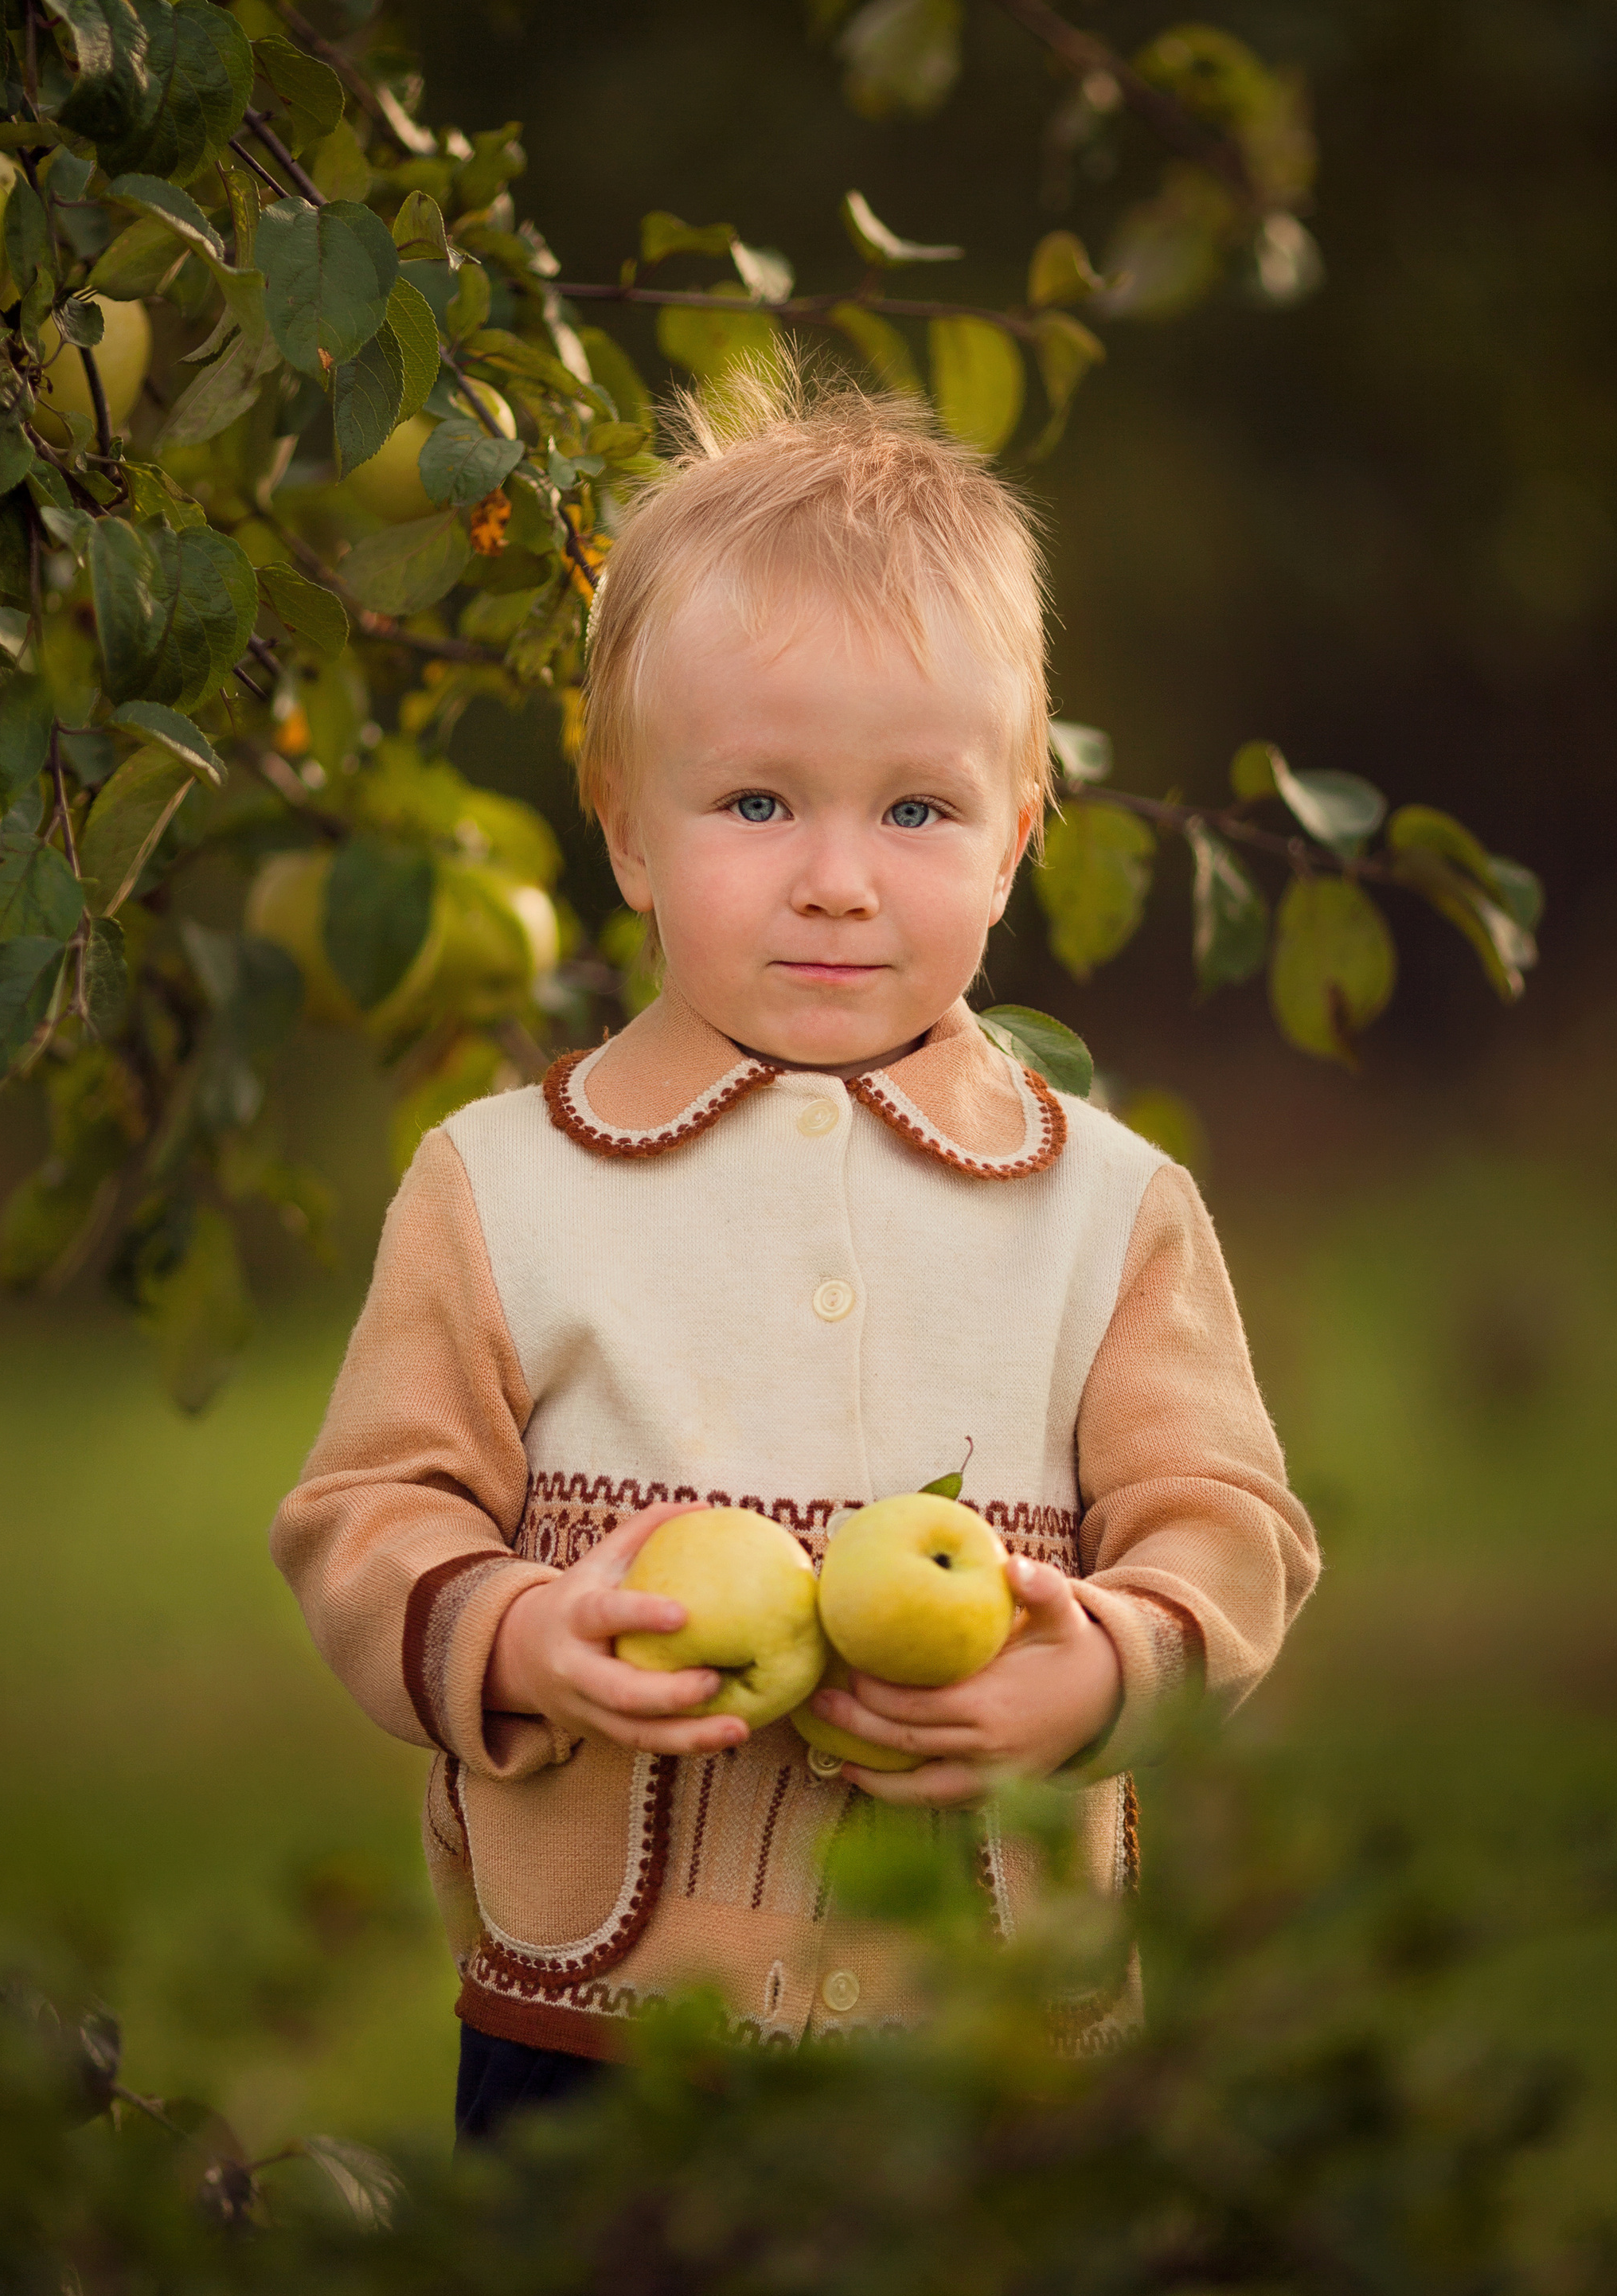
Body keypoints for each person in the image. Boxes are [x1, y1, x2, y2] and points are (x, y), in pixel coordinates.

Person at [271, 357, 1320, 2146]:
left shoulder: (1104, 1207)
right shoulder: (503, 1184)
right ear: (622, 827)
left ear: (1012, 842)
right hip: (596, 2051)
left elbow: (1226, 1530)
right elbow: (371, 1521)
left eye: (914, 810)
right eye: (756, 805)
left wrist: (1092, 1670)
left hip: (985, 2043)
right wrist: (525, 1636)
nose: (835, 876)